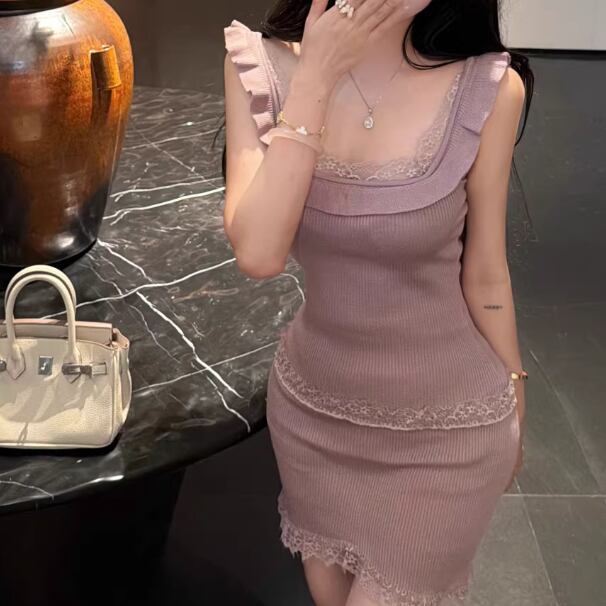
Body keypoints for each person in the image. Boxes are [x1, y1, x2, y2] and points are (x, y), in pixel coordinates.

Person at [221, 0, 534, 604]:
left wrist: (516, 393)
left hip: (448, 430)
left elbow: (487, 273)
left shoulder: (490, 88)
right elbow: (258, 253)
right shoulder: (258, 66)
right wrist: (315, 78)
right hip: (315, 417)